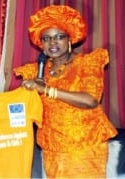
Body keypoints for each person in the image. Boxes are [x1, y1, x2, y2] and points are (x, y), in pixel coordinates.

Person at [14, 5, 118, 178]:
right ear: (41, 44)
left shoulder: (87, 63)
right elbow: (14, 103)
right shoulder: (36, 71)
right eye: (46, 38)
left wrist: (46, 90)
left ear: (69, 40)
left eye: (59, 37)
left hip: (84, 148)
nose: (52, 43)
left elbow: (91, 100)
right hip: (51, 150)